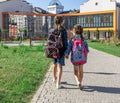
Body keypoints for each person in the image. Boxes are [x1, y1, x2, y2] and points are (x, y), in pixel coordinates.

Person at [65, 24, 89, 90]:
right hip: (82, 58)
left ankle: (78, 82)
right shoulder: (84, 40)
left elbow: (69, 48)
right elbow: (87, 50)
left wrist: (66, 55)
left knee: (75, 72)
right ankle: (80, 83)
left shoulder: (72, 40)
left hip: (75, 59)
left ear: (74, 31)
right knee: (81, 71)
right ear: (82, 31)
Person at [52, 16, 68, 89]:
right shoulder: (63, 30)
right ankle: (58, 83)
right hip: (61, 51)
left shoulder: (53, 30)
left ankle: (54, 78)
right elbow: (65, 42)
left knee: (54, 64)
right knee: (60, 66)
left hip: (54, 50)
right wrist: (66, 52)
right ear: (62, 22)